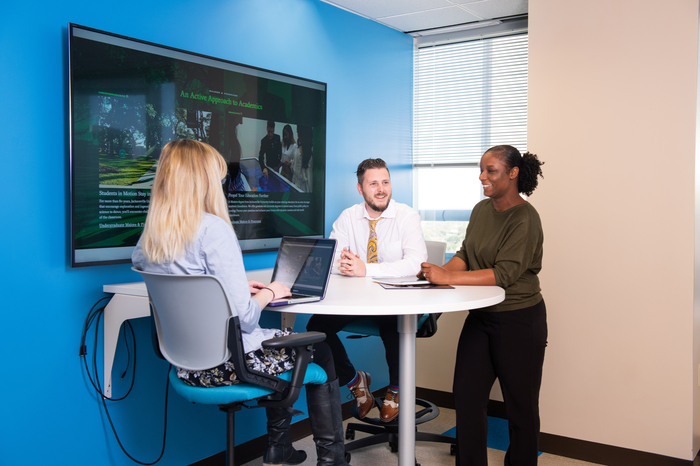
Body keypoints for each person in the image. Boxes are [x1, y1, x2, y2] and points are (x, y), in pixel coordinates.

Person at [132, 139, 350, 466]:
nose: (221, 184)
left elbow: (190, 287)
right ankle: (333, 460)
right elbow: (245, 320)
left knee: (281, 342)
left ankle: (280, 448)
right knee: (320, 349)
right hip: (230, 368)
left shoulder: (149, 238)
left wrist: (225, 289)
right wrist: (271, 292)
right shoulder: (213, 230)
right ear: (202, 180)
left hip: (187, 369)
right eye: (216, 178)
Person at [419, 145, 546, 466]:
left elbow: (504, 274)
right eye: (481, 169)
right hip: (482, 317)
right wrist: (441, 274)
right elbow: (465, 254)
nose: (482, 176)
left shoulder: (525, 217)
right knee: (467, 397)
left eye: (491, 170)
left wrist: (448, 277)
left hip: (520, 320)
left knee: (520, 408)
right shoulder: (481, 210)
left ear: (513, 173)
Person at [306, 158, 427, 423]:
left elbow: (415, 263)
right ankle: (355, 382)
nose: (381, 189)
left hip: (396, 299)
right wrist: (349, 265)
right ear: (360, 189)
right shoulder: (348, 217)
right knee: (316, 329)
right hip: (357, 300)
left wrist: (365, 269)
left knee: (394, 327)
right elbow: (333, 259)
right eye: (373, 184)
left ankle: (395, 389)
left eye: (385, 182)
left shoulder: (406, 216)